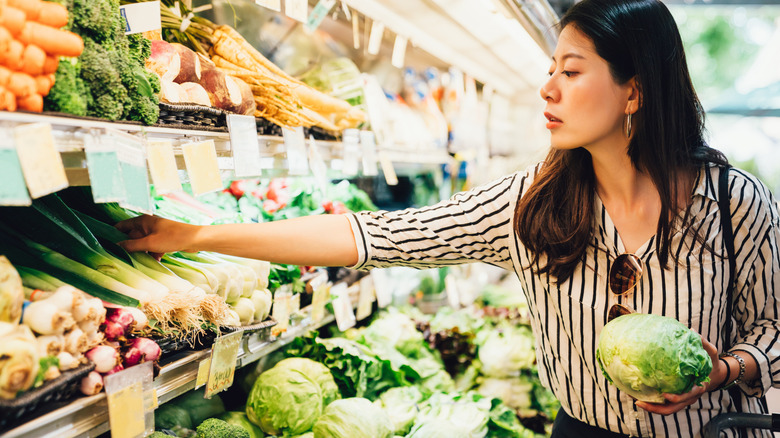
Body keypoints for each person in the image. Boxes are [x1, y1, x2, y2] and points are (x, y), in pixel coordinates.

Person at [117, 0, 780, 436]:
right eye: (550, 69)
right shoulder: (532, 206)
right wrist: (196, 235)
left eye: (571, 72)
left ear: (634, 90)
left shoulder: (732, 204)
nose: (548, 88)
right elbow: (373, 234)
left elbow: (773, 333)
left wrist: (722, 371)